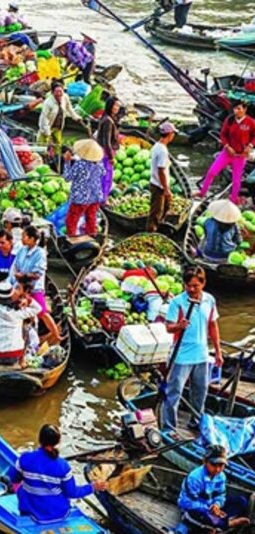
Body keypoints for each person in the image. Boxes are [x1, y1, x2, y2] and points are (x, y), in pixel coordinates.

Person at [162, 266, 222, 433]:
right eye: (188, 285)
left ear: (203, 284)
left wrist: (218, 351)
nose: (191, 289)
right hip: (181, 355)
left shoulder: (209, 300)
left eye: (195, 286)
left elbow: (213, 326)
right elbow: (168, 327)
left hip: (201, 355)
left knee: (200, 391)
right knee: (174, 393)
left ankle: (196, 421)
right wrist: (178, 326)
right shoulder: (178, 302)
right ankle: (169, 428)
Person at [10, 425, 107, 523]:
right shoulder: (63, 466)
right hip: (59, 514)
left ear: (40, 439)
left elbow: (14, 479)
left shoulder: (24, 459)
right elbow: (72, 493)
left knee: (21, 488)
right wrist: (93, 487)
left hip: (31, 514)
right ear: (58, 442)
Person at [9, 226, 61, 346]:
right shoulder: (22, 250)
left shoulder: (40, 253)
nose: (22, 238)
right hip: (20, 285)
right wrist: (16, 279)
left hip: (34, 287)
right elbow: (15, 266)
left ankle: (56, 335)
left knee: (42, 312)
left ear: (32, 239)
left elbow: (38, 273)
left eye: (24, 236)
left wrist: (24, 275)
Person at [179, 445, 251, 531]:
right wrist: (209, 509)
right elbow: (186, 503)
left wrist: (217, 505)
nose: (217, 469)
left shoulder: (221, 476)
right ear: (205, 462)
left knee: (241, 501)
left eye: (221, 465)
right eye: (213, 465)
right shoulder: (195, 478)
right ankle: (227, 523)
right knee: (197, 516)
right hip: (195, 509)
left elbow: (220, 495)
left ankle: (219, 522)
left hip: (211, 506)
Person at [197, 101, 255, 205]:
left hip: (240, 156)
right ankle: (202, 193)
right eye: (235, 109)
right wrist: (227, 146)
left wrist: (250, 146)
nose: (236, 111)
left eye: (239, 109)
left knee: (236, 180)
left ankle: (233, 200)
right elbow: (223, 135)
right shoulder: (229, 120)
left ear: (245, 110)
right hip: (227, 153)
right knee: (211, 172)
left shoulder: (250, 122)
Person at [63, 139, 105, 237]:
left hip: (81, 198)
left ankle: (72, 239)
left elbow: (67, 177)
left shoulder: (80, 164)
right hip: (95, 197)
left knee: (71, 221)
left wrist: (67, 162)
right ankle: (92, 237)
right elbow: (103, 173)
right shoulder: (99, 164)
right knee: (91, 219)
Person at [38, 81, 83, 154]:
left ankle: (57, 157)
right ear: (52, 92)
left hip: (58, 126)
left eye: (60, 91)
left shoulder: (65, 97)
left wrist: (76, 117)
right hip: (47, 126)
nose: (59, 94)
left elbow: (70, 108)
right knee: (43, 146)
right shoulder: (48, 103)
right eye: (57, 92)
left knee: (57, 145)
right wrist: (47, 133)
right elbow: (44, 118)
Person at [148, 122, 178, 232]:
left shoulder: (157, 146)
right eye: (173, 134)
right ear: (170, 134)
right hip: (159, 185)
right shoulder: (162, 150)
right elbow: (161, 170)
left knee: (165, 207)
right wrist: (166, 189)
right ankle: (151, 232)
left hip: (157, 183)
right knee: (156, 213)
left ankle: (159, 227)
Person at [95, 96, 121, 202]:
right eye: (115, 105)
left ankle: (101, 197)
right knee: (106, 178)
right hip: (105, 153)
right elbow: (106, 141)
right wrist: (110, 157)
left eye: (118, 106)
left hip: (104, 151)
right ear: (110, 106)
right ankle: (102, 199)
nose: (117, 108)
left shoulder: (107, 118)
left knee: (104, 176)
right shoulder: (108, 121)